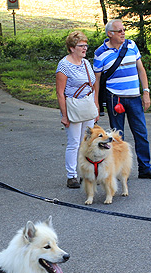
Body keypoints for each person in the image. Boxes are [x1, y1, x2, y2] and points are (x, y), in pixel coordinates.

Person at [93, 19, 151, 180]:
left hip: (134, 97)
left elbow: (141, 69)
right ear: (110, 34)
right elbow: (96, 80)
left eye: (124, 30)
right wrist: (96, 102)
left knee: (141, 133)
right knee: (118, 137)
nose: (123, 33)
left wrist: (146, 92)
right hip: (114, 97)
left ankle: (145, 168)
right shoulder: (100, 52)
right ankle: (119, 171)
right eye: (119, 31)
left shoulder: (131, 46)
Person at [56, 31, 98, 189]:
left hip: (87, 106)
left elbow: (92, 86)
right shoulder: (64, 66)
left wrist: (95, 106)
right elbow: (60, 93)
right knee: (74, 142)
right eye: (81, 45)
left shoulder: (86, 63)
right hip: (72, 107)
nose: (85, 48)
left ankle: (83, 172)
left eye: (86, 45)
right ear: (72, 48)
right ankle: (71, 176)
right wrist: (65, 115)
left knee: (85, 142)